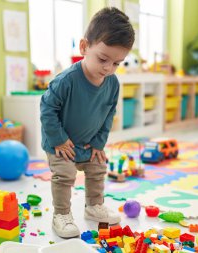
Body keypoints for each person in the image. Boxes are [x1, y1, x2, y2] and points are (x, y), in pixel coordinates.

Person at [40, 7, 135, 238]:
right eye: (103, 59)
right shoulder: (66, 81)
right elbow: (47, 108)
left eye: (116, 63)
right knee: (65, 174)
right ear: (84, 47)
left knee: (98, 167)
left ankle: (94, 206)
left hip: (89, 142)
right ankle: (61, 214)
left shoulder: (112, 84)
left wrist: (99, 143)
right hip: (62, 143)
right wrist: (59, 140)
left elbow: (109, 114)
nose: (108, 68)